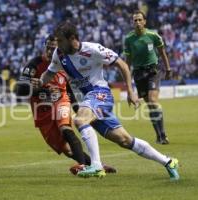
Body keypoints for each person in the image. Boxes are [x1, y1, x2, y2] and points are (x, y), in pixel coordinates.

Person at [31, 22, 179, 181]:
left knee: (80, 119)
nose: (57, 45)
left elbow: (121, 64)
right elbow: (49, 73)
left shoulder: (93, 49)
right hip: (90, 101)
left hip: (100, 94)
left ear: (72, 38)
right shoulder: (59, 54)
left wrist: (130, 90)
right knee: (125, 140)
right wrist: (40, 82)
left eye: (60, 41)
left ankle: (96, 165)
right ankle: (168, 162)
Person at [16, 34, 116, 174]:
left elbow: (67, 88)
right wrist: (37, 88)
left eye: (54, 48)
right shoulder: (34, 64)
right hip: (41, 110)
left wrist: (76, 108)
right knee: (67, 150)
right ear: (45, 47)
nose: (51, 52)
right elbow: (19, 90)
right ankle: (96, 165)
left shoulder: (63, 62)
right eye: (48, 48)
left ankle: (86, 166)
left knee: (65, 128)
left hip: (60, 101)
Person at [124, 10, 171, 144]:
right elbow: (127, 61)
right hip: (138, 74)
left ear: (145, 21)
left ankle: (163, 136)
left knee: (152, 100)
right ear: (132, 23)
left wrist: (168, 69)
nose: (138, 22)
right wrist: (128, 87)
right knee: (150, 105)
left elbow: (162, 53)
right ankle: (159, 136)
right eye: (135, 20)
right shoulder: (128, 39)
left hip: (153, 71)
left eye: (140, 20)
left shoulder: (153, 35)